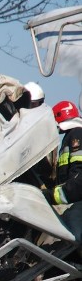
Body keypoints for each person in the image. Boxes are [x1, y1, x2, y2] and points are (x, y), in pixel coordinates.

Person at [44, 101, 82, 242]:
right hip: (72, 198)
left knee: (71, 238)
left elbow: (78, 180)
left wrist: (50, 196)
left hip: (76, 200)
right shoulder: (71, 136)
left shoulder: (77, 135)